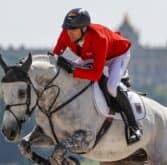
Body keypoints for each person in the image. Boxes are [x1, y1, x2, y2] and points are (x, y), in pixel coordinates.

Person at [52, 8, 142, 144]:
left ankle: (133, 126)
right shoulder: (67, 33)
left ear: (83, 29)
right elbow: (55, 56)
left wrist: (72, 69)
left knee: (111, 87)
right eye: (67, 29)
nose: (68, 33)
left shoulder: (99, 38)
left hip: (117, 55)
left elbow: (95, 74)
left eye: (73, 30)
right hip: (92, 55)